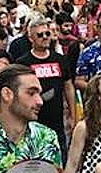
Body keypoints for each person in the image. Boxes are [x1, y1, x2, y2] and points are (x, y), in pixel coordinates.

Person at [16, 15, 75, 154]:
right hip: (32, 124)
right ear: (31, 38)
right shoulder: (22, 63)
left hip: (57, 124)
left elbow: (68, 87)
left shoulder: (60, 59)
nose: (45, 37)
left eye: (47, 33)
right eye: (40, 34)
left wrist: (73, 115)